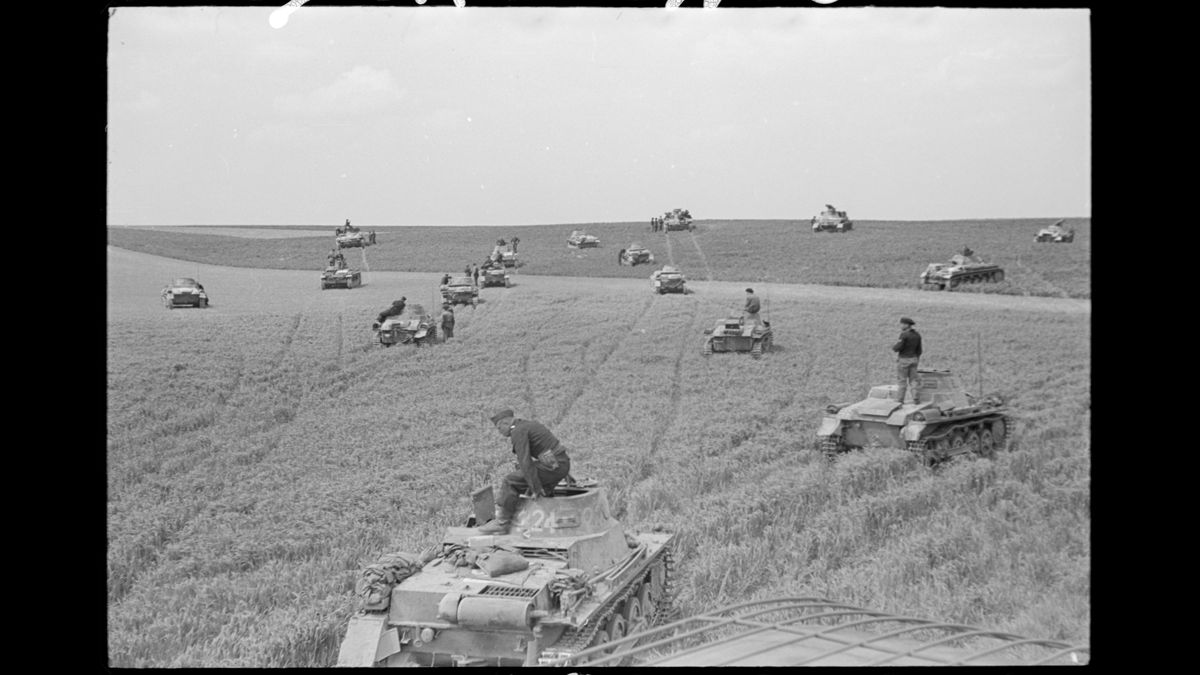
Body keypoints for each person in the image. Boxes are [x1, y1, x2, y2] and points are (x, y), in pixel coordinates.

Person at [477, 409, 571, 535]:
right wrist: (565, 472)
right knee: (522, 476)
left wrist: (536, 488)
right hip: (559, 464)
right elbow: (552, 450)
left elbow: (525, 461)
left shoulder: (517, 431)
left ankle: (502, 523)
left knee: (510, 481)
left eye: (499, 428)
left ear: (505, 423)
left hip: (554, 467)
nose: (500, 432)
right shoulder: (528, 424)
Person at [892, 317, 923, 404]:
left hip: (904, 360)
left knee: (902, 380)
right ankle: (915, 397)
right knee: (913, 380)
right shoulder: (917, 335)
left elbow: (898, 347)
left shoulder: (904, 335)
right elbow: (919, 350)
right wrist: (916, 359)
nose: (901, 326)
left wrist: (894, 347)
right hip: (914, 359)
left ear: (906, 325)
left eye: (902, 324)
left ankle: (900, 399)